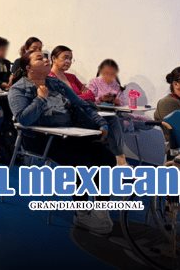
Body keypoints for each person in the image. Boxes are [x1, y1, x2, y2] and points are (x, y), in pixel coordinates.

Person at [8, 50, 124, 234]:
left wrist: (101, 123)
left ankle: (101, 210)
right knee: (83, 163)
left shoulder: (56, 83)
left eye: (46, 56)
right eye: (40, 58)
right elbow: (23, 119)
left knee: (106, 157)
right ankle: (82, 213)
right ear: (28, 67)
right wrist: (40, 99)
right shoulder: (18, 89)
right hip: (42, 139)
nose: (46, 60)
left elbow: (81, 104)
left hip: (70, 134)